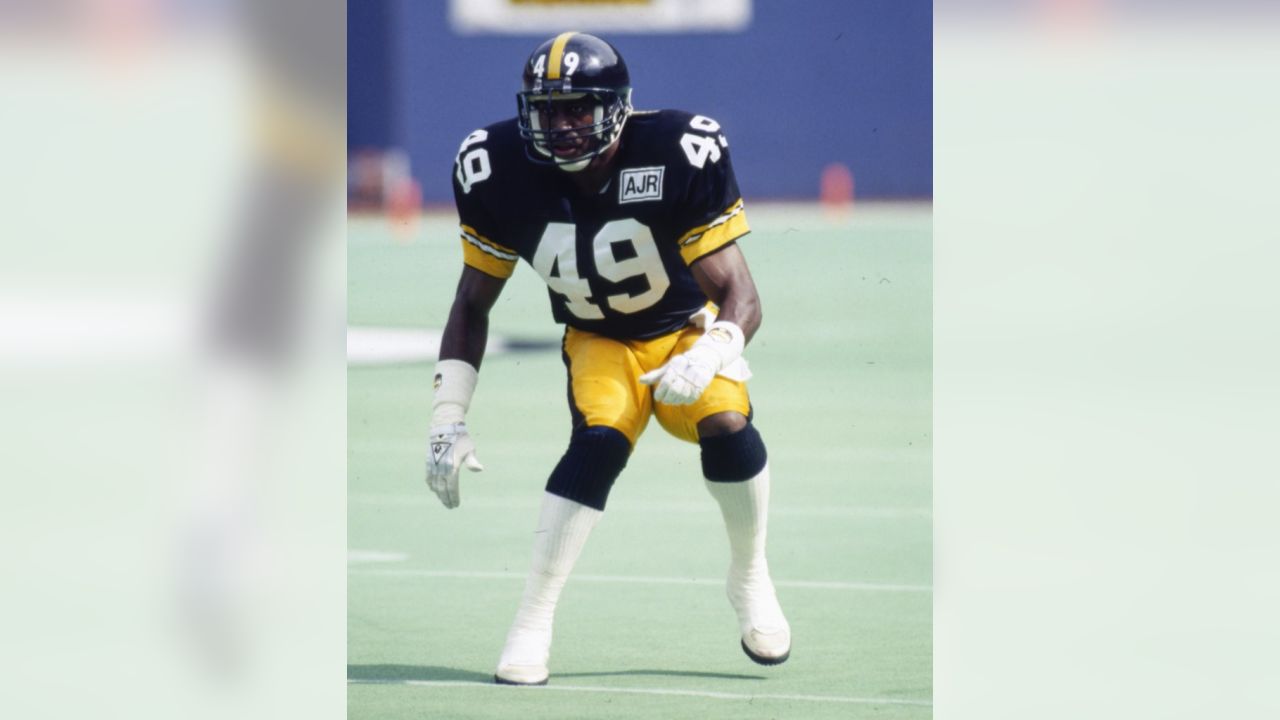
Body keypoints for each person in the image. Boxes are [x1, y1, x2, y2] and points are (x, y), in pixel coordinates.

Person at [425, 32, 790, 686]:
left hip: (684, 329)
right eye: (547, 110)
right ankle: (532, 620)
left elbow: (742, 294)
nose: (561, 126)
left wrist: (711, 353)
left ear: (617, 107)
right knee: (596, 444)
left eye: (578, 109)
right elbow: (472, 302)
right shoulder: (495, 165)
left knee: (728, 429)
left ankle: (750, 574)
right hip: (596, 336)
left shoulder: (676, 150)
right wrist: (447, 415)